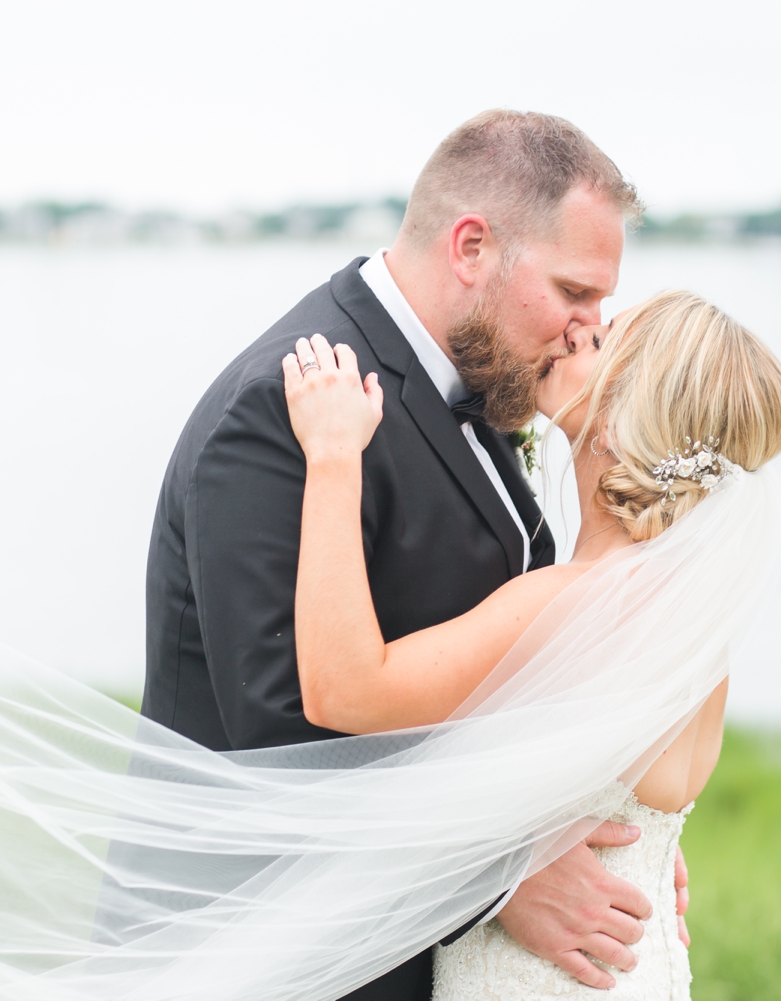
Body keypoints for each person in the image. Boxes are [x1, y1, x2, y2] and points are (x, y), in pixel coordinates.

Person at [142, 109, 659, 997]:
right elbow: (282, 733)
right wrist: (500, 881)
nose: (589, 331)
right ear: (471, 247)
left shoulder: (479, 374)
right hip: (267, 957)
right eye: (575, 292)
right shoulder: (286, 405)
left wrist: (595, 834)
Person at [278, 288, 781, 999]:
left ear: (622, 420)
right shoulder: (695, 630)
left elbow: (345, 688)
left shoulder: (574, 604)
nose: (577, 331)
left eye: (603, 340)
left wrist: (333, 458)